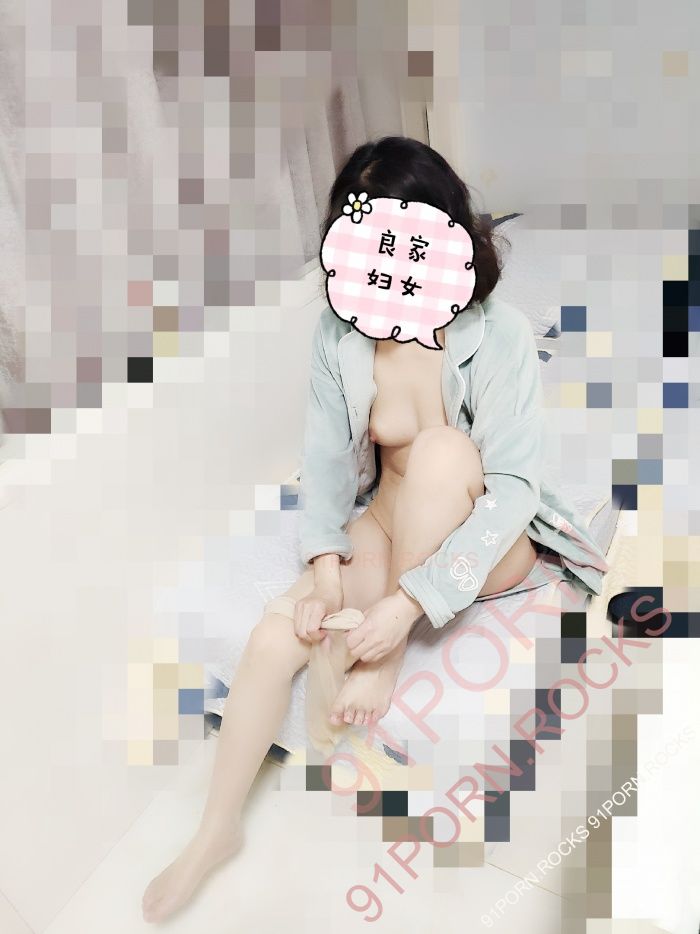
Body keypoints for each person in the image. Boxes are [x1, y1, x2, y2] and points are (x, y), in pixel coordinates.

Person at [142, 135, 609, 923]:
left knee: (441, 452)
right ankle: (216, 830)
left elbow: (513, 488)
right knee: (278, 633)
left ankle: (385, 660)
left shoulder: (497, 334)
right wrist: (326, 569)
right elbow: (326, 460)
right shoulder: (342, 335)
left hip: (485, 537)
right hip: (388, 520)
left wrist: (402, 610)